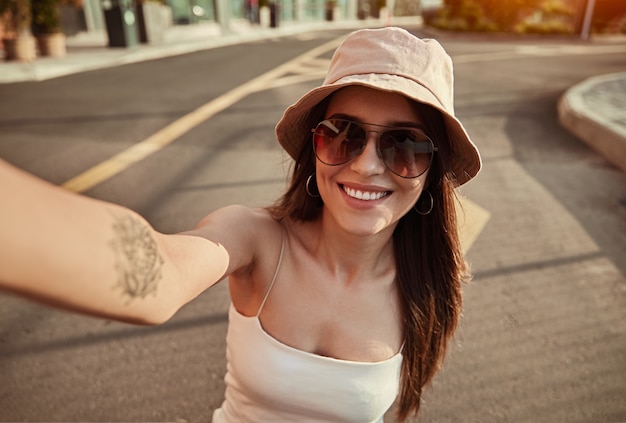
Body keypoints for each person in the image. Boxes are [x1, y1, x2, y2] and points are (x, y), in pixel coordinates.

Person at [0, 27, 481, 422]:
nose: (366, 166)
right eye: (343, 136)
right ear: (314, 146)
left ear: (432, 171)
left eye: (404, 145)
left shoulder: (430, 281)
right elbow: (160, 271)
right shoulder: (255, 240)